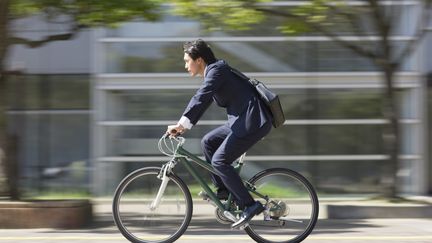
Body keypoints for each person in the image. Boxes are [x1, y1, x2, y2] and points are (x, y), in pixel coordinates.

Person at [166, 39, 272, 229]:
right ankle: (223, 190)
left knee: (219, 161)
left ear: (199, 60)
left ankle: (250, 205)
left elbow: (201, 96)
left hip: (252, 121)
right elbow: (204, 99)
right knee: (208, 141)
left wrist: (182, 124)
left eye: (186, 61)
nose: (185, 66)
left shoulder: (217, 70)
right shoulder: (214, 71)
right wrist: (185, 125)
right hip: (241, 121)